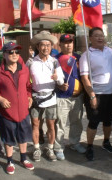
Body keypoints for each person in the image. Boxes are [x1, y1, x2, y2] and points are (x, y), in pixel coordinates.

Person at [0, 42, 34, 175]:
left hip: (23, 111)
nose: (14, 54)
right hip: (8, 112)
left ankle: (23, 158)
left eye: (16, 52)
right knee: (8, 138)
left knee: (23, 136)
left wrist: (29, 96)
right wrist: (0, 99)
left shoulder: (24, 69)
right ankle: (9, 160)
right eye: (11, 52)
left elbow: (28, 87)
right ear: (4, 55)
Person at [80, 27, 112, 161]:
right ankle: (90, 146)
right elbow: (84, 78)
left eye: (102, 35)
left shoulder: (111, 52)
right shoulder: (87, 55)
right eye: (96, 36)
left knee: (108, 121)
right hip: (97, 94)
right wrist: (92, 95)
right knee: (94, 122)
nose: (100, 38)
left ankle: (106, 142)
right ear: (90, 38)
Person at [28, 30, 65, 161]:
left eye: (48, 45)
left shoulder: (54, 61)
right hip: (35, 98)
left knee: (51, 125)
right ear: (38, 47)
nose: (46, 48)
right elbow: (26, 81)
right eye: (43, 45)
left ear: (51, 47)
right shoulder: (31, 62)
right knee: (35, 124)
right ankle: (37, 148)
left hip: (51, 98)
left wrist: (57, 79)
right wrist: (28, 96)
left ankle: (50, 148)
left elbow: (61, 80)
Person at [53, 34, 86, 160]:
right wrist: (59, 85)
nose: (68, 45)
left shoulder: (79, 58)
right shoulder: (55, 59)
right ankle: (59, 147)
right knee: (60, 124)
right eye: (65, 42)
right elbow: (52, 78)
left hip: (78, 97)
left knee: (76, 122)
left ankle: (74, 143)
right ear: (60, 45)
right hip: (62, 97)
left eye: (70, 42)